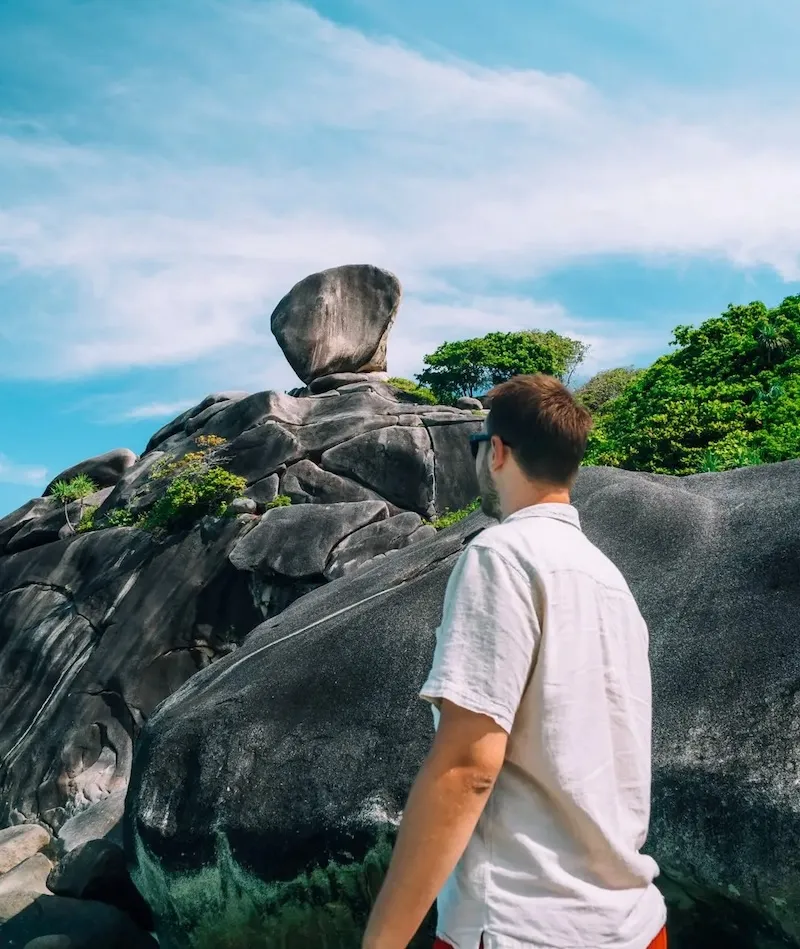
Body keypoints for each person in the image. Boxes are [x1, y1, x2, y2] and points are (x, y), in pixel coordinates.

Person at [361, 373, 667, 949]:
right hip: (633, 924)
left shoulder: (501, 555)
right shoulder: (610, 580)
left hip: (521, 924)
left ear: (496, 451)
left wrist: (382, 941)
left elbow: (468, 765)